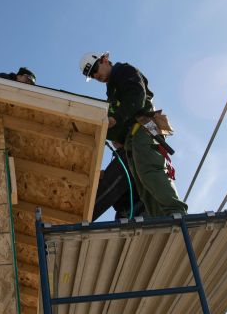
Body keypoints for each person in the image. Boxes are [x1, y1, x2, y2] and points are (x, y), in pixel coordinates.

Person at [80, 51, 187, 217]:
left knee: (149, 170)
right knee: (142, 182)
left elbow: (136, 95)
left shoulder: (123, 71)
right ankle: (160, 220)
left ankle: (175, 213)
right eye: (92, 75)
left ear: (105, 59)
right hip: (132, 138)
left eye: (95, 69)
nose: (95, 75)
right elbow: (119, 123)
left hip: (143, 128)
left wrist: (116, 118)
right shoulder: (112, 91)